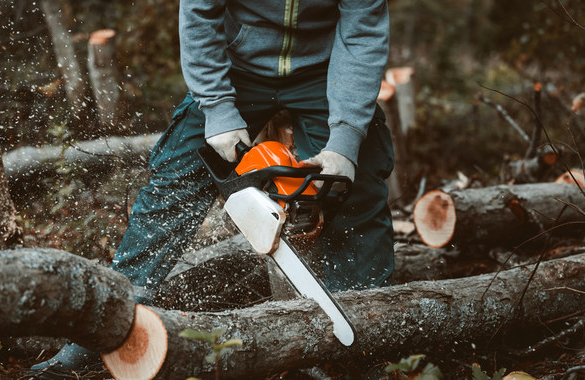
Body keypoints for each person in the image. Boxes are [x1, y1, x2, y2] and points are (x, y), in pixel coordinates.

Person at [31, 0, 394, 376]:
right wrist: (218, 107)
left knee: (356, 191)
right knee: (173, 184)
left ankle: (364, 337)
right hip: (236, 67)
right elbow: (199, 12)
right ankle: (106, 321)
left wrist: (345, 140)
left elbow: (362, 31)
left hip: (327, 69)